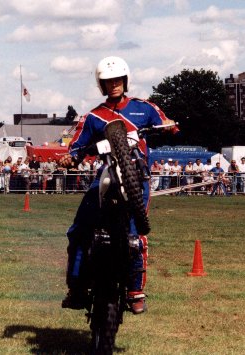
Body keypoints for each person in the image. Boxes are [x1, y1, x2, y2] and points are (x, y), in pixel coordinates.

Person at [60, 56, 175, 314]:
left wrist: (168, 126)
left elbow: (167, 123)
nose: (113, 85)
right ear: (102, 85)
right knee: (78, 231)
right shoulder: (93, 116)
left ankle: (136, 290)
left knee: (138, 237)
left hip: (138, 175)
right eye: (108, 81)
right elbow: (77, 146)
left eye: (117, 80)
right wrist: (70, 157)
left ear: (125, 81)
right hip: (108, 172)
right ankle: (76, 287)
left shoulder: (145, 108)